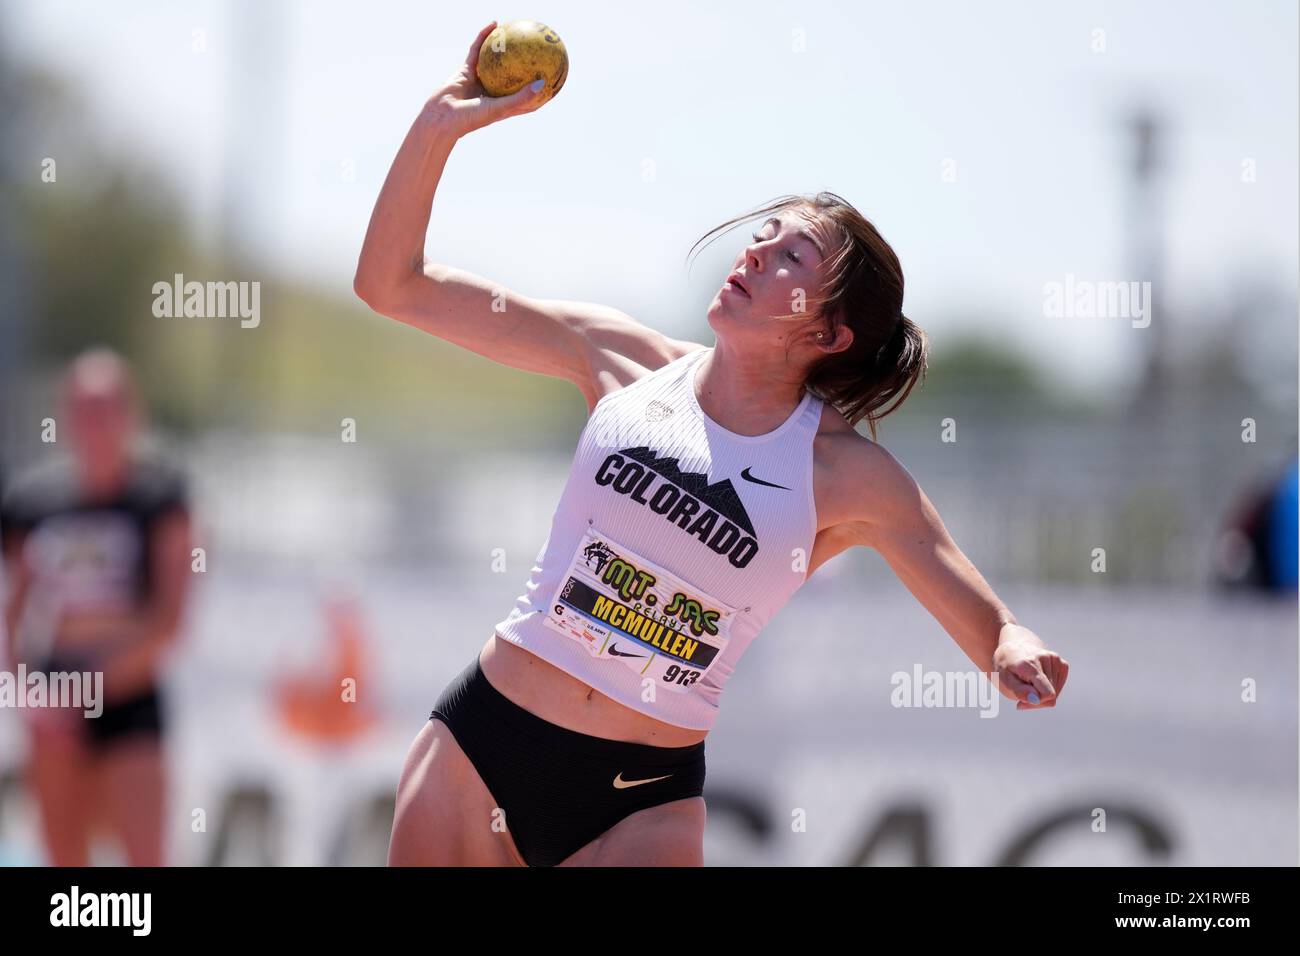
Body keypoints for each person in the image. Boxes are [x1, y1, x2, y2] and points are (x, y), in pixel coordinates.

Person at [356, 22, 1070, 867]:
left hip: (640, 802)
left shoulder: (844, 475)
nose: (757, 249)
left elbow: (977, 610)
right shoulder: (616, 357)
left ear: (832, 333)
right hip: (483, 749)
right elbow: (391, 285)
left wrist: (1011, 646)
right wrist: (441, 126)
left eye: (792, 253)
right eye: (765, 233)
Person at [0, 348, 192, 865]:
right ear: (65, 418)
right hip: (55, 702)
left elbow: (171, 621)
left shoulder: (160, 499)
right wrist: (25, 694)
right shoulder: (32, 503)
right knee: (66, 865)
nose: (97, 425)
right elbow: (11, 613)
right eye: (84, 410)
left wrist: (93, 685)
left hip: (130, 696)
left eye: (108, 409)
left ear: (133, 414)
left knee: (144, 858)